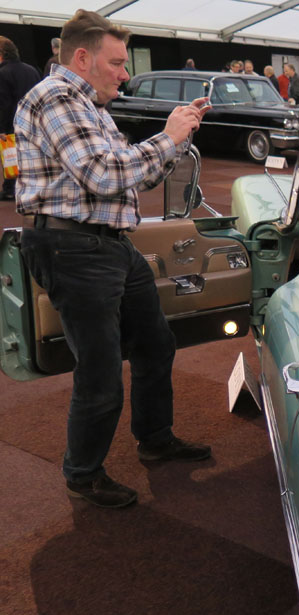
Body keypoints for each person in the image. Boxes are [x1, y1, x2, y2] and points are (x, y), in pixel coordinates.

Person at [14, 9, 212, 509]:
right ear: (82, 58)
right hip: (73, 248)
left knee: (154, 343)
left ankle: (155, 438)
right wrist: (168, 137)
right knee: (100, 370)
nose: (125, 74)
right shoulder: (56, 97)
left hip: (107, 244)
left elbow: (134, 177)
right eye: (118, 63)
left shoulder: (91, 105)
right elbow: (102, 175)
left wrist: (178, 136)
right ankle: (83, 473)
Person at [0, 36, 41, 200]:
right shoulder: (32, 70)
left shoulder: (3, 73)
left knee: (10, 158)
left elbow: (3, 103)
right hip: (33, 122)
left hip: (12, 123)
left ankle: (10, 189)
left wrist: (1, 128)